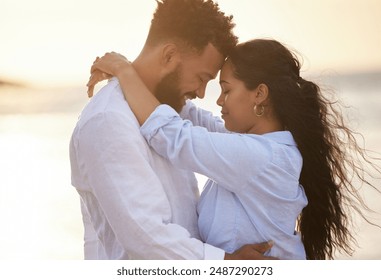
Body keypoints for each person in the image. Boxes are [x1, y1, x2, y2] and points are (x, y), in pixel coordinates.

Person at [88, 38, 381, 259]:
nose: (218, 101)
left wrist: (125, 71)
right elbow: (191, 118)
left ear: (260, 94)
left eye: (226, 90)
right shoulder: (261, 148)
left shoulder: (261, 158)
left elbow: (173, 135)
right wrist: (144, 73)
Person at [70, 0, 276, 260]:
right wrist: (227, 262)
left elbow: (242, 142)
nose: (201, 93)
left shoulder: (172, 110)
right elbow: (147, 237)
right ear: (168, 56)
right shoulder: (107, 120)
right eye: (202, 78)